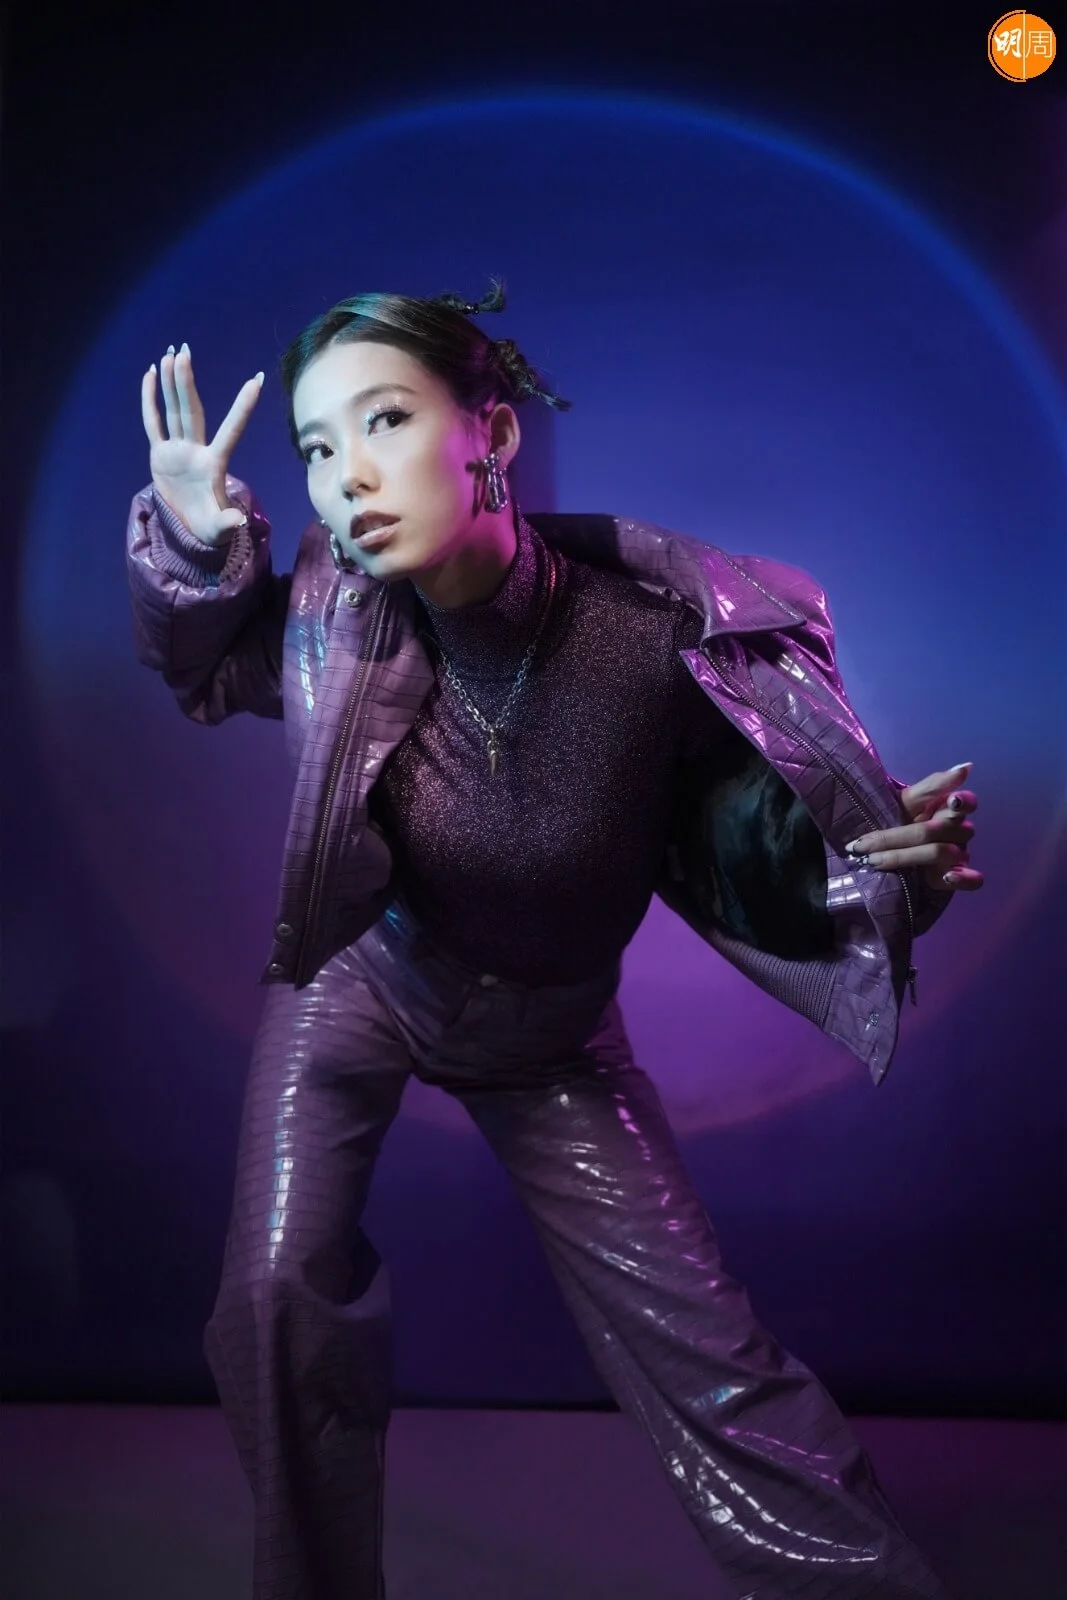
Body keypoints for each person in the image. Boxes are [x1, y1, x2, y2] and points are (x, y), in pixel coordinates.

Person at [126, 282, 981, 1600]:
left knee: (713, 1361)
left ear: (492, 432)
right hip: (360, 989)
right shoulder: (323, 609)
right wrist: (192, 541)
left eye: (385, 420)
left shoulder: (649, 645)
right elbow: (201, 663)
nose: (346, 475)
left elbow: (763, 849)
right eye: (315, 447)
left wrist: (882, 873)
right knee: (272, 1300)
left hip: (552, 1037)